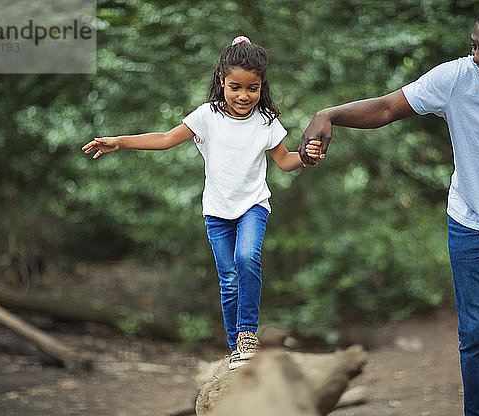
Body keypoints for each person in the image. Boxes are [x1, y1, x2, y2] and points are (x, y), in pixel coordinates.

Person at [300, 3, 479, 416]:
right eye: (474, 47)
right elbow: (386, 108)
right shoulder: (454, 78)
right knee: (476, 335)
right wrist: (329, 115)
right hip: (472, 221)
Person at [83, 36, 319, 370]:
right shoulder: (207, 117)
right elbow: (165, 139)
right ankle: (236, 347)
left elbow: (285, 161)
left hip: (253, 205)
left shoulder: (266, 122)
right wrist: (119, 141)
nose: (243, 96)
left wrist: (307, 157)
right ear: (222, 80)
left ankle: (248, 336)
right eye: (235, 86)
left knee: (247, 258)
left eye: (252, 88)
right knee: (229, 279)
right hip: (217, 214)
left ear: (261, 86)